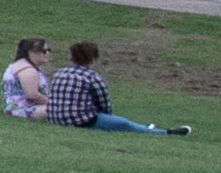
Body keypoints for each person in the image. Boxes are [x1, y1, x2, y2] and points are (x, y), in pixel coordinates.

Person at [37, 40, 186, 133]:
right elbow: (105, 107)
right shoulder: (93, 77)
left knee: (123, 123)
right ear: (93, 59)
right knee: (125, 124)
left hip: (55, 118)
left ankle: (148, 127)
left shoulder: (59, 73)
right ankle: (165, 132)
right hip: (82, 121)